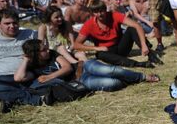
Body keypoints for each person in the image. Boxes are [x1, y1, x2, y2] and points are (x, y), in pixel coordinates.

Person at [15, 39, 160, 92]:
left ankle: (142, 76)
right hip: (79, 82)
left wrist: (49, 76)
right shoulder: (33, 68)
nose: (47, 50)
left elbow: (66, 68)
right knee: (112, 83)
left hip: (83, 67)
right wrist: (26, 60)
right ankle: (127, 78)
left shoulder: (52, 54)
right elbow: (19, 78)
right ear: (35, 54)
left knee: (109, 69)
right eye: (43, 50)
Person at [73, 1, 160, 68]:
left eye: (101, 11)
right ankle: (138, 64)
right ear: (93, 13)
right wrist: (96, 48)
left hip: (121, 46)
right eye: (96, 12)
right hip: (108, 51)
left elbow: (137, 25)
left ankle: (151, 55)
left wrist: (143, 44)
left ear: (105, 9)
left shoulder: (114, 15)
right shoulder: (88, 24)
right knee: (99, 54)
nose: (100, 14)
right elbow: (76, 45)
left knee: (132, 29)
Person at [0, 10, 48, 111]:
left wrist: (42, 29)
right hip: (3, 78)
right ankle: (35, 100)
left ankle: (9, 99)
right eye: (7, 23)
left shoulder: (29, 34)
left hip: (27, 76)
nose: (12, 26)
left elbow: (46, 41)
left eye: (15, 23)